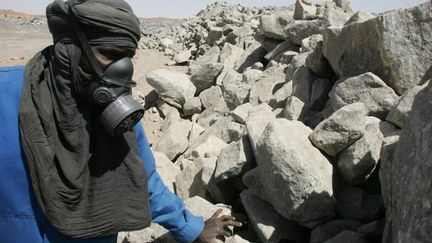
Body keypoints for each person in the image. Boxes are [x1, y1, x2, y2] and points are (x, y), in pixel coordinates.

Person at [0, 0, 241, 242]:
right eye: (110, 54)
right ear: (70, 47)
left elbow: (143, 179)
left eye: (128, 56)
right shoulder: (6, 96)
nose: (122, 69)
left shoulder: (112, 108)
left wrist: (192, 228)